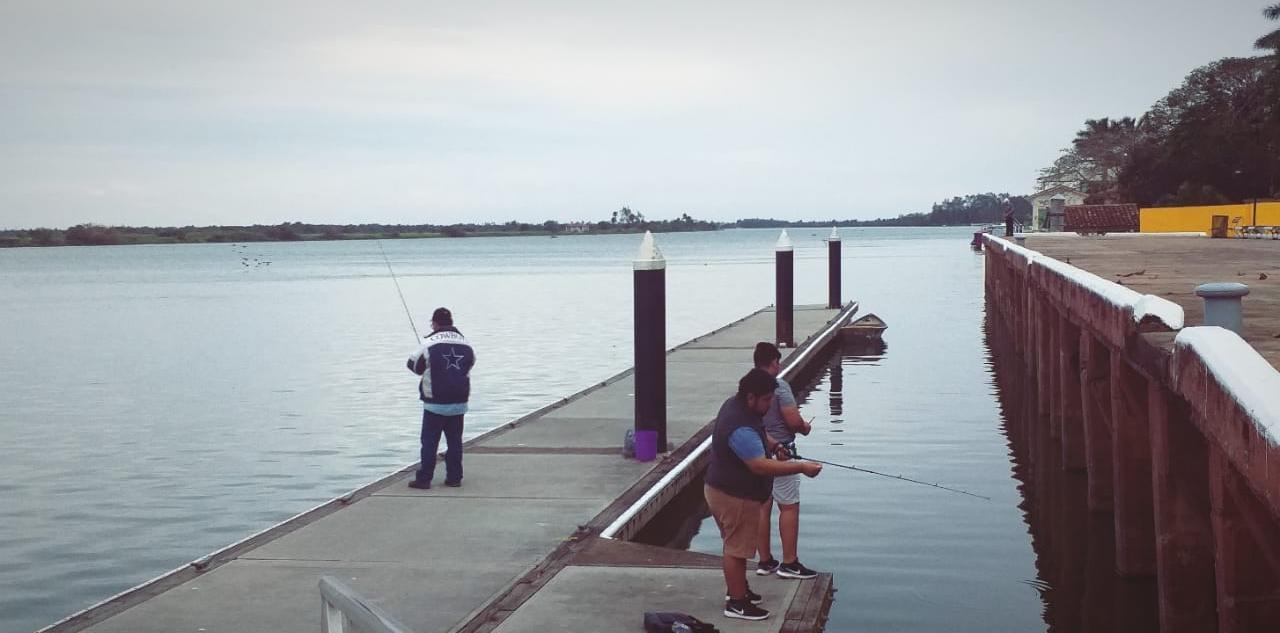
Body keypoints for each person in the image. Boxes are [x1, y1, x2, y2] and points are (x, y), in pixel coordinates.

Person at [705, 368, 822, 621]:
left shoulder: (736, 406)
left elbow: (760, 434)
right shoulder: (740, 427)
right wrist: (801, 467)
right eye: (767, 399)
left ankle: (739, 590)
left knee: (734, 545)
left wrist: (776, 445)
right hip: (732, 495)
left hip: (719, 488)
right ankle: (737, 603)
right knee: (735, 550)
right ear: (751, 397)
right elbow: (759, 465)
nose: (770, 405)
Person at [752, 342, 819, 580]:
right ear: (773, 363)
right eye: (777, 362)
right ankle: (789, 563)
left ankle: (765, 561)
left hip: (756, 452)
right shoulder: (779, 386)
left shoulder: (749, 386)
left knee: (763, 505)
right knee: (789, 505)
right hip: (781, 453)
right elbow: (793, 421)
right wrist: (805, 427)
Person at [406, 307, 476, 489]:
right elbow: (470, 364)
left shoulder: (429, 343)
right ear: (451, 322)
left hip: (434, 404)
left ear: (435, 323)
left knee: (429, 442)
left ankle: (424, 479)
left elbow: (413, 365)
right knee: (455, 441)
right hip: (459, 402)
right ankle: (454, 478)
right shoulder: (466, 344)